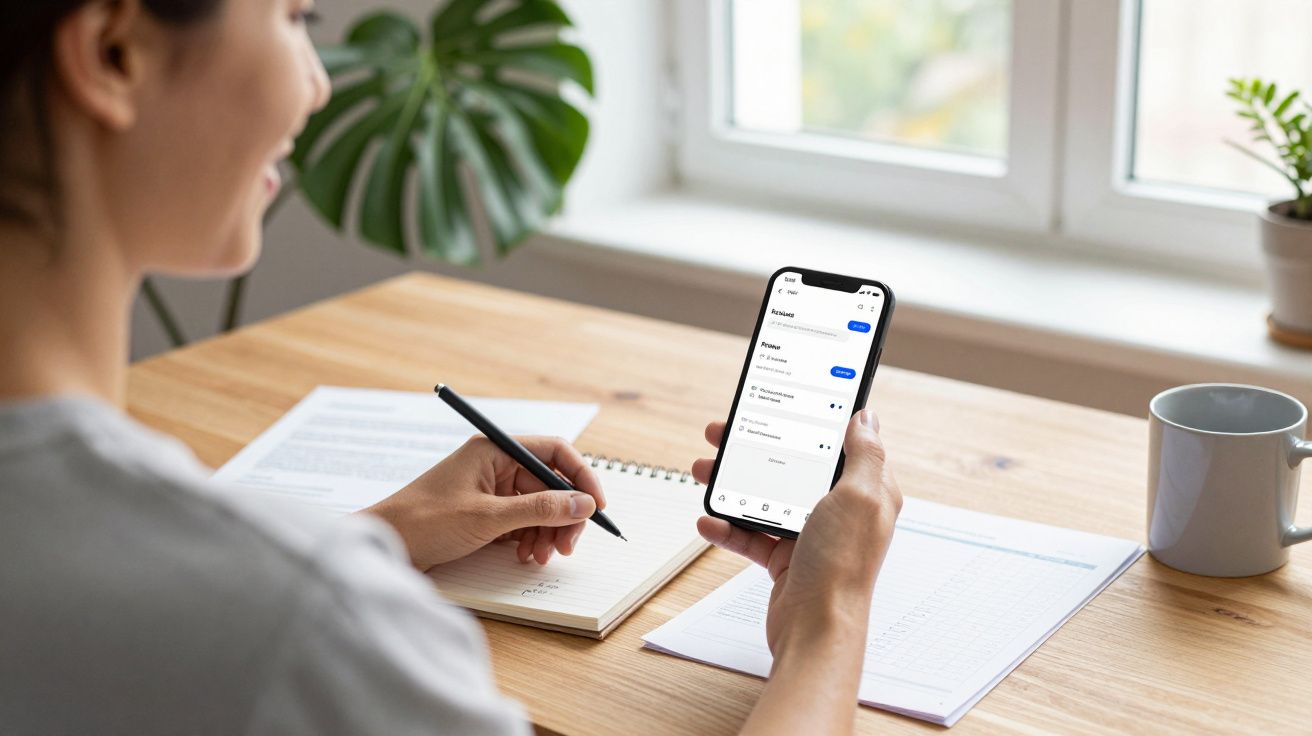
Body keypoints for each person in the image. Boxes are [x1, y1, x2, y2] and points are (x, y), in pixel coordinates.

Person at [0, 1, 904, 734]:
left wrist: (384, 532)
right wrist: (831, 621)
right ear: (114, 53)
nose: (316, 88)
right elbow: (250, 618)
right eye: (293, 19)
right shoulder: (305, 625)